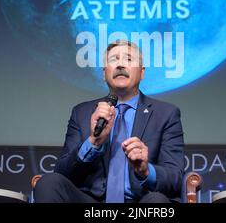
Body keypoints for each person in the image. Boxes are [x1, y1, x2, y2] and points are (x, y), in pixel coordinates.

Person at [34, 40, 185, 203]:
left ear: (142, 73)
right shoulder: (82, 112)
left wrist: (145, 170)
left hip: (141, 203)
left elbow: (175, 179)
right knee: (48, 182)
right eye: (113, 59)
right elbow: (62, 173)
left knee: (157, 202)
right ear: (104, 73)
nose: (120, 64)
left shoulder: (166, 114)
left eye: (128, 59)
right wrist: (93, 142)